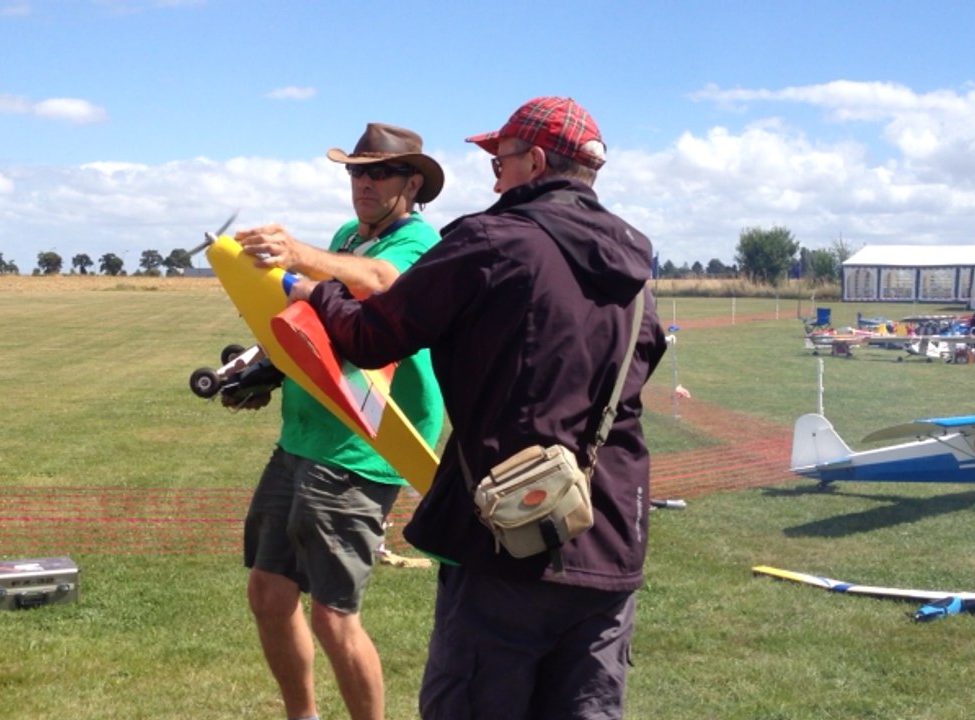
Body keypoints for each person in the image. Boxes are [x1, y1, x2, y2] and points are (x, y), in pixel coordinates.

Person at [289, 97, 667, 719]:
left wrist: (318, 292)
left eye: (502, 157)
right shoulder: (635, 270)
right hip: (609, 536)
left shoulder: (491, 240)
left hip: (506, 543)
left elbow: (369, 336)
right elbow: (638, 367)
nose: (494, 173)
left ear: (537, 161)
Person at [233, 123, 446, 720]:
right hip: (305, 432)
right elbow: (314, 322)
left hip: (365, 442)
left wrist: (299, 255)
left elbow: (380, 286)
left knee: (333, 613)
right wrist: (262, 372)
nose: (363, 183)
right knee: (269, 593)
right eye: (356, 171)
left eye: (378, 172)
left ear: (413, 183)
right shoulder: (348, 237)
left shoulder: (419, 244)